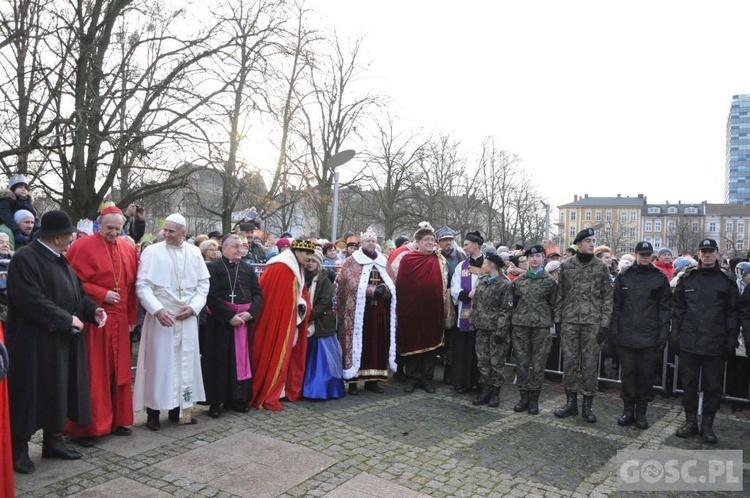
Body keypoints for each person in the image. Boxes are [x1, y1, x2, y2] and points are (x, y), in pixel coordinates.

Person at [6, 210, 107, 474]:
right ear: (59, 236)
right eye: (71, 233)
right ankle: (19, 450)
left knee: (58, 391)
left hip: (60, 341)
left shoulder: (61, 260)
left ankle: (53, 442)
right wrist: (66, 319)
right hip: (33, 343)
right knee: (30, 394)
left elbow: (78, 293)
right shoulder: (25, 258)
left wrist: (92, 311)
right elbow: (30, 299)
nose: (74, 236)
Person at [63, 206, 139, 445]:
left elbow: (131, 288)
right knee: (94, 373)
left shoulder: (128, 249)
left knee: (120, 373)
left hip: (120, 320)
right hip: (94, 319)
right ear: (99, 225)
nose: (114, 233)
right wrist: (100, 293)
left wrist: (132, 319)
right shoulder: (81, 247)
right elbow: (70, 282)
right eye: (109, 228)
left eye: (118, 228)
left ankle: (118, 420)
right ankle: (89, 427)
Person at [133, 213, 210, 430]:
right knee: (160, 366)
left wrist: (194, 308)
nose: (166, 234)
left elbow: (203, 285)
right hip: (162, 317)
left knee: (185, 365)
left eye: (171, 231)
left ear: (183, 233)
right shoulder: (152, 252)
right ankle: (154, 413)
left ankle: (180, 410)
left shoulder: (195, 253)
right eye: (165, 230)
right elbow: (143, 286)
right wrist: (157, 310)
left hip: (186, 317)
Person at [672, 238, 739, 443]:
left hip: (715, 343)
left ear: (718, 254)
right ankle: (691, 422)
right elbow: (679, 310)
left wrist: (731, 341)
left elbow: (732, 313)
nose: (707, 255)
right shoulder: (687, 278)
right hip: (690, 341)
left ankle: (707, 426)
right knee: (689, 385)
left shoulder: (727, 280)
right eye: (704, 251)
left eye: (711, 251)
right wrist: (674, 336)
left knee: (713, 387)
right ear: (698, 254)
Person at [553, 228, 613, 423]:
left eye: (593, 241)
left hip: (592, 324)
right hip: (570, 322)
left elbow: (607, 297)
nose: (592, 244)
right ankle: (571, 403)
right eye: (588, 241)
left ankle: (587, 405)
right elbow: (560, 294)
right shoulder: (567, 266)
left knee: (589, 365)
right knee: (570, 363)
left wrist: (604, 325)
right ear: (578, 243)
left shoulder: (600, 267)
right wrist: (558, 320)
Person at [610, 241, 671, 429]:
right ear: (636, 255)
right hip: (627, 335)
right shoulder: (624, 277)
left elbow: (664, 309)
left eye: (648, 254)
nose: (645, 257)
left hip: (649, 336)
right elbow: (616, 307)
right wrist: (615, 332)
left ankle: (642, 412)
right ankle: (628, 410)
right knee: (628, 375)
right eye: (642, 254)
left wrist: (662, 334)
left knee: (645, 376)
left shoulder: (659, 278)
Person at [251, 239, 315, 411]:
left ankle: (282, 390)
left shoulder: (297, 268)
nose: (309, 258)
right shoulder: (282, 268)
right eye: (306, 254)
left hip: (291, 320)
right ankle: (270, 392)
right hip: (276, 322)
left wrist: (302, 307)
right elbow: (278, 302)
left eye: (311, 254)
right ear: (296, 251)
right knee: (275, 352)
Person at [202, 234, 262, 417]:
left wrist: (250, 313)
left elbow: (258, 294)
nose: (239, 250)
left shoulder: (247, 267)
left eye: (241, 246)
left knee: (239, 362)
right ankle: (216, 402)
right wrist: (229, 317)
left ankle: (236, 399)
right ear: (224, 248)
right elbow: (210, 296)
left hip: (243, 323)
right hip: (221, 324)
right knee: (220, 362)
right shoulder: (213, 267)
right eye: (235, 246)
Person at [337, 227, 397, 395]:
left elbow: (392, 281)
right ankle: (354, 382)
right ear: (361, 243)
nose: (371, 243)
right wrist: (370, 290)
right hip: (358, 313)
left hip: (379, 311)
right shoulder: (352, 260)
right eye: (368, 241)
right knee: (358, 343)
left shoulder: (383, 261)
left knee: (377, 342)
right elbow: (348, 283)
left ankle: (374, 381)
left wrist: (384, 289)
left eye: (373, 241)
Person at [391, 223, 448, 394]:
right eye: (427, 240)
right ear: (418, 241)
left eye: (432, 240)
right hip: (411, 310)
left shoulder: (439, 259)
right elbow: (400, 285)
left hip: (432, 310)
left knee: (431, 346)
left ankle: (427, 378)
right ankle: (412, 378)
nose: (431, 243)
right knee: (412, 345)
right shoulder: (408, 259)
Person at [511, 244, 558, 415]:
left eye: (538, 256)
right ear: (527, 259)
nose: (535, 259)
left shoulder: (550, 282)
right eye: (532, 256)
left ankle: (534, 400)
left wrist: (550, 323)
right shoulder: (519, 282)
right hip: (521, 327)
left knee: (538, 365)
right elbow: (514, 304)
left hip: (541, 328)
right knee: (522, 364)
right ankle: (523, 397)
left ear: (543, 258)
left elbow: (554, 305)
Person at [471, 252, 512, 407]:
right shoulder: (482, 281)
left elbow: (505, 310)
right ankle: (484, 390)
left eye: (485, 263)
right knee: (483, 361)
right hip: (482, 328)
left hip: (496, 330)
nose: (482, 266)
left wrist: (501, 331)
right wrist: (473, 322)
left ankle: (495, 393)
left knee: (496, 363)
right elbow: (476, 304)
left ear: (492, 265)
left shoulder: (505, 284)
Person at [302, 252, 346, 399]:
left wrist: (309, 316)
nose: (309, 264)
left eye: (313, 261)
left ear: (318, 263)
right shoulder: (303, 278)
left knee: (322, 361)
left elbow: (324, 302)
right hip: (307, 322)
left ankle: (322, 389)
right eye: (307, 261)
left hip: (321, 324)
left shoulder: (324, 279)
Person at [449, 231, 484, 394]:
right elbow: (454, 287)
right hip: (466, 311)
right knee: (464, 349)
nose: (464, 247)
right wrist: (466, 294)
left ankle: (481, 382)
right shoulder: (461, 266)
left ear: (475, 245)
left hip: (484, 315)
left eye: (466, 244)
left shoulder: (489, 265)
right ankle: (464, 382)